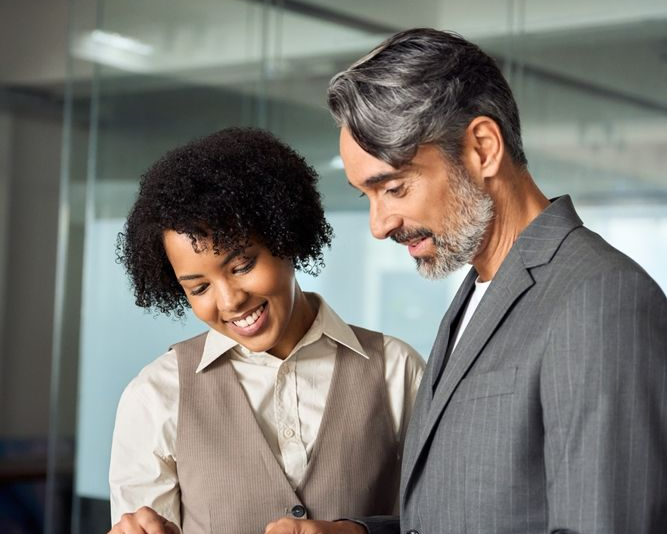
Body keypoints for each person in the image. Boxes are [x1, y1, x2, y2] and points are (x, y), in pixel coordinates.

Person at [264, 28, 667, 534]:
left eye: (393, 187)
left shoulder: (600, 298)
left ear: (482, 148)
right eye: (367, 196)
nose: (379, 223)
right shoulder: (478, 292)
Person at [108, 127, 424, 534]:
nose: (229, 301)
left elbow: (445, 518)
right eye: (199, 288)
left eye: (242, 266)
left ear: (285, 237)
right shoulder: (156, 396)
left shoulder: (396, 370)